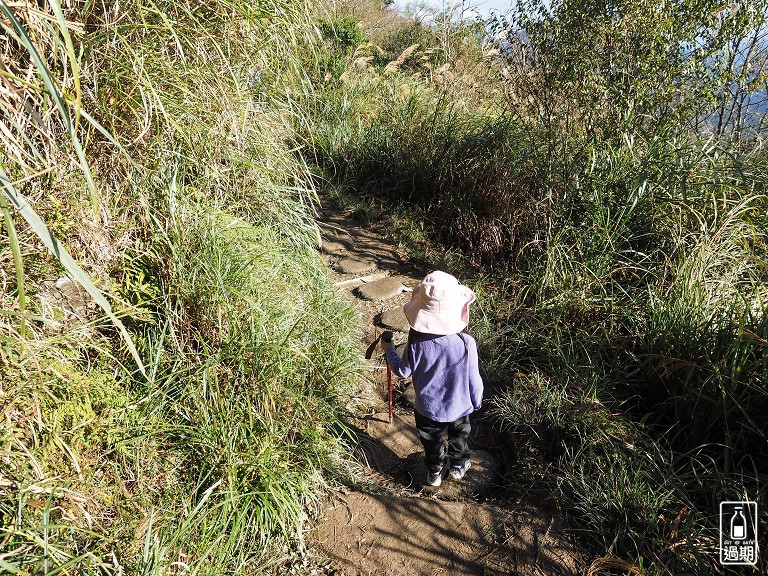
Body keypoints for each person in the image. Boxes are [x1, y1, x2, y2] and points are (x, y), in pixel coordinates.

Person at [380, 270, 483, 487]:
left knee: (432, 442)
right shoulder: (466, 343)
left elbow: (403, 371)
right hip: (459, 406)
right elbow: (474, 378)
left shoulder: (416, 343)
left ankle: (434, 472)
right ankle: (458, 467)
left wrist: (390, 350)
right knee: (460, 437)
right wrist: (476, 400)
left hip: (427, 408)